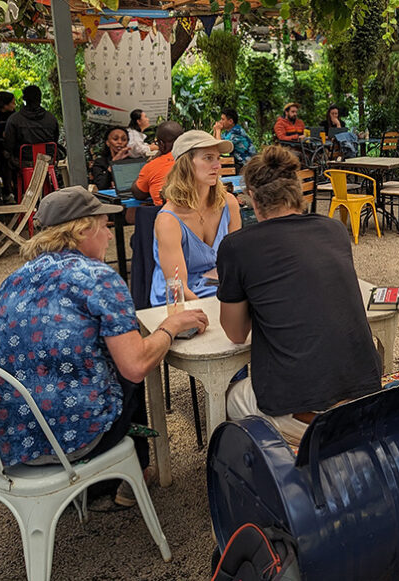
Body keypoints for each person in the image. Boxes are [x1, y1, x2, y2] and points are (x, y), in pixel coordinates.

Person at [0, 186, 208, 505]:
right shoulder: (98, 278)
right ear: (83, 229)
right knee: (130, 376)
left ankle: (103, 486)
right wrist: (170, 327)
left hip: (11, 442)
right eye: (105, 225)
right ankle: (129, 478)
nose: (108, 235)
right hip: (72, 442)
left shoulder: (13, 280)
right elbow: (135, 366)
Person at [218, 145, 382, 446]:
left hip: (308, 413)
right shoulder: (334, 230)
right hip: (365, 398)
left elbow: (236, 333)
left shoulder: (236, 247)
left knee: (231, 396)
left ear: (253, 199)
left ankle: (282, 473)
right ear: (298, 192)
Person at [151, 130, 241, 306]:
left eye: (218, 158)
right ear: (186, 164)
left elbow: (236, 263)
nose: (217, 166)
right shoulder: (169, 220)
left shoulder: (228, 204)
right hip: (180, 302)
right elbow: (178, 288)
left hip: (218, 291)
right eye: (208, 158)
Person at [2, 85, 60, 170]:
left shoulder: (14, 119)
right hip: (48, 161)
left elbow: (9, 145)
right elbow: (55, 139)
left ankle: (13, 183)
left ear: (24, 99)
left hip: (24, 162)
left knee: (7, 156)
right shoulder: (51, 118)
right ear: (40, 98)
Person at [133, 120, 184, 205]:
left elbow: (138, 194)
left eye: (157, 143)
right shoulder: (195, 158)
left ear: (161, 143)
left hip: (168, 215)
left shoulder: (153, 165)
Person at [0, 92, 18, 200]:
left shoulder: (14, 115)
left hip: (9, 147)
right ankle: (7, 191)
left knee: (8, 161)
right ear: (5, 105)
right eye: (12, 103)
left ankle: (11, 191)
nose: (14, 105)